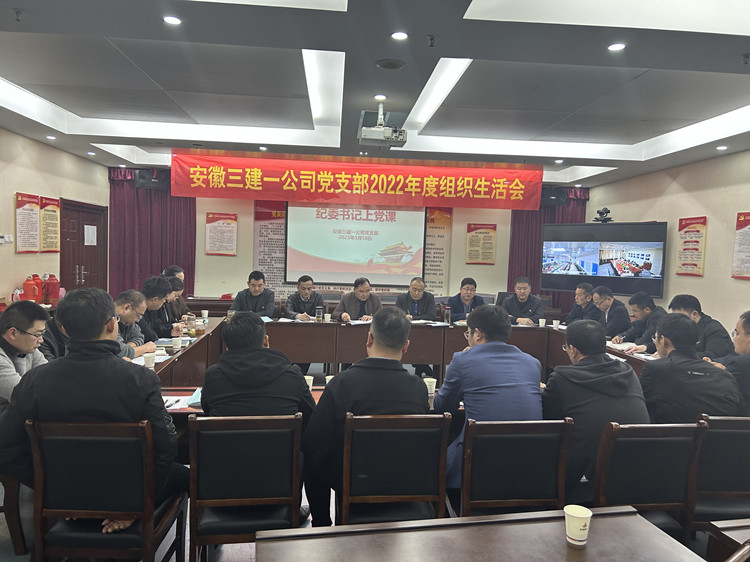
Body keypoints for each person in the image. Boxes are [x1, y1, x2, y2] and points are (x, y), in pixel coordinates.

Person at [0, 288, 187, 532]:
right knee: (185, 475)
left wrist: (53, 491)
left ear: (64, 330)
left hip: (65, 497)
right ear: (111, 324)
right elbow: (166, 449)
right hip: (127, 494)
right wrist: (138, 503)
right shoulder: (140, 379)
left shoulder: (34, 382)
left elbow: (6, 448)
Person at [302, 307, 429, 526]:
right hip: (405, 487)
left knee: (314, 455)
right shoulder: (418, 389)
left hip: (353, 487)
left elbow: (314, 448)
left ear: (369, 339)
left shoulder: (341, 383)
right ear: (406, 346)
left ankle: (321, 526)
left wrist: (322, 520)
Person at [433, 304, 542, 489]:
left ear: (477, 334)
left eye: (467, 334)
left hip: (478, 463)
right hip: (528, 465)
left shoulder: (462, 360)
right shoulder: (532, 363)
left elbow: (442, 407)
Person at [542, 320, 649, 504]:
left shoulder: (562, 378)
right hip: (637, 477)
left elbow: (549, 422)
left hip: (584, 485)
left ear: (573, 349)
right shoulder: (629, 372)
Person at [201, 311, 315, 426]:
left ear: (227, 347)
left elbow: (207, 410)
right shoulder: (292, 375)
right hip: (280, 438)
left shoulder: (213, 375)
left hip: (225, 437)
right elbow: (311, 415)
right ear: (266, 341)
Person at [640, 313, 742, 423]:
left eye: (655, 338)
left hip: (671, 433)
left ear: (664, 340)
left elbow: (640, 407)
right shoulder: (725, 376)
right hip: (719, 434)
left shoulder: (655, 369)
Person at [0, 301, 49, 413]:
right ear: (13, 333)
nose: (41, 340)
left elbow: (50, 376)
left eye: (42, 333)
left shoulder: (27, 347)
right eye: (37, 334)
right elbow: (25, 396)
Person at [704, 311, 750, 415]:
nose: (734, 338)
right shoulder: (737, 363)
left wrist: (725, 373)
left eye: (737, 333)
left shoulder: (738, 365)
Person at [668, 294, 734, 359]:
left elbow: (712, 356)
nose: (675, 320)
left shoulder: (715, 330)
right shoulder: (680, 328)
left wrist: (679, 355)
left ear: (694, 314)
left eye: (679, 316)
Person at [395, 277, 437, 377]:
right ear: (409, 287)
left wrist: (413, 318)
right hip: (405, 332)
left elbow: (431, 316)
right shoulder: (401, 298)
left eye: (420, 290)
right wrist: (404, 317)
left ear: (424, 290)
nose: (417, 293)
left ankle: (421, 366)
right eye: (414, 289)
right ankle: (421, 366)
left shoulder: (429, 297)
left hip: (424, 333)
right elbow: (397, 315)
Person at [138, 275, 184, 342]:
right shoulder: (138, 311)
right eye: (164, 299)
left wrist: (170, 332)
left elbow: (157, 329)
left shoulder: (152, 310)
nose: (165, 302)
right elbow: (149, 335)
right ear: (155, 299)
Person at [115, 290, 157, 358]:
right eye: (138, 315)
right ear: (126, 308)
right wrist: (145, 348)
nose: (138, 320)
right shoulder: (107, 320)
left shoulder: (127, 322)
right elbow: (120, 352)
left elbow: (139, 337)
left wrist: (127, 348)